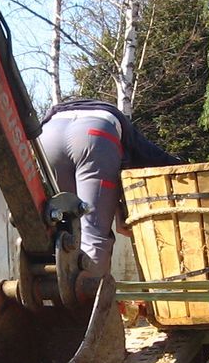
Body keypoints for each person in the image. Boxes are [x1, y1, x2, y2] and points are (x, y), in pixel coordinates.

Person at [37, 99, 180, 280]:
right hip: (97, 132)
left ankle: (59, 297)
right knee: (92, 234)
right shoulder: (129, 135)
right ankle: (88, 300)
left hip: (49, 133)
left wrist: (119, 209)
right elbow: (157, 159)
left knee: (63, 228)